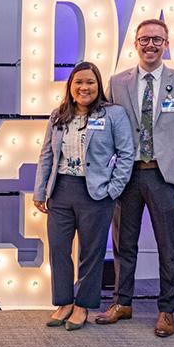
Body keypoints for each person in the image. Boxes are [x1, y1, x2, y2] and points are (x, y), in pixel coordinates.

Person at [96, 18, 174, 338]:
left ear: (166, 44)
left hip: (163, 176)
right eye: (145, 39)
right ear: (136, 43)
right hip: (126, 176)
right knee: (123, 243)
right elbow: (105, 128)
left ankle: (167, 309)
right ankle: (121, 302)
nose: (151, 45)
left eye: (157, 39)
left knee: (168, 245)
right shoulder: (117, 82)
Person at [34, 62, 134, 330]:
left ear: (98, 85)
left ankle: (83, 306)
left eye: (90, 82)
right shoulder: (59, 115)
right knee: (58, 249)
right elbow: (47, 155)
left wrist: (113, 189)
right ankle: (64, 301)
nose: (84, 87)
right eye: (78, 82)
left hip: (96, 194)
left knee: (91, 252)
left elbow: (126, 154)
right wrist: (40, 191)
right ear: (70, 86)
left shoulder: (113, 114)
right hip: (61, 191)